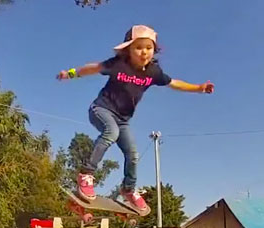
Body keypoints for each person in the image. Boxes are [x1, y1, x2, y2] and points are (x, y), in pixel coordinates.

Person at [56, 24, 214, 212]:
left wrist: (198, 88)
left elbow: (174, 83)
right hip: (101, 109)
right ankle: (86, 174)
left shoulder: (153, 72)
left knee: (132, 154)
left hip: (123, 119)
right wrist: (70, 73)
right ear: (128, 49)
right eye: (138, 48)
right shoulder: (118, 64)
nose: (144, 52)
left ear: (154, 50)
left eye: (148, 48)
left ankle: (128, 189)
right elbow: (93, 68)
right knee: (110, 133)